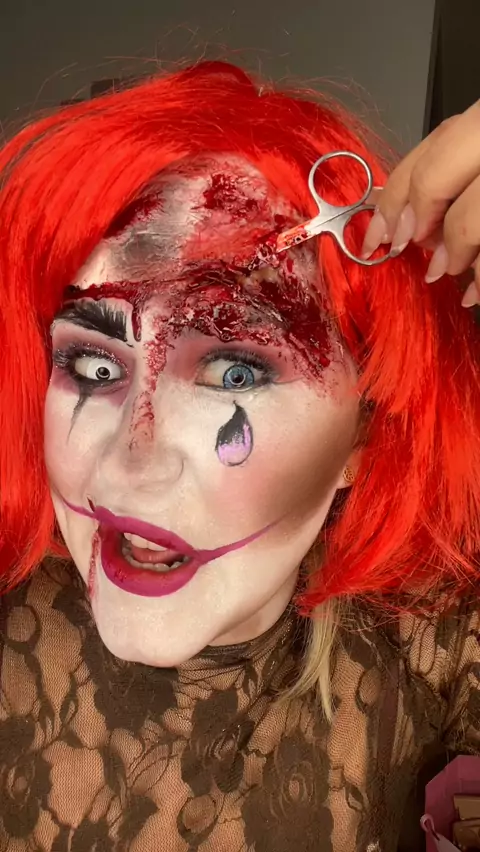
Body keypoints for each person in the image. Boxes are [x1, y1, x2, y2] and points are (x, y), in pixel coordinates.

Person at [0, 60, 479, 852]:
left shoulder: (429, 641)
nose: (128, 468)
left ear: (362, 437)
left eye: (236, 371)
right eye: (93, 366)